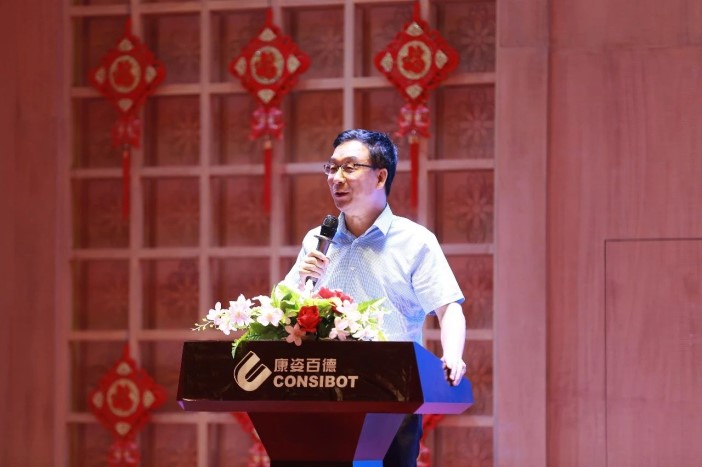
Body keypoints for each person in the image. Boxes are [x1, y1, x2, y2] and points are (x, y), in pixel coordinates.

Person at [283, 129, 467, 467]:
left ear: (380, 176)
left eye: (349, 167)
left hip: (391, 395)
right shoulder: (317, 240)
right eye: (331, 167)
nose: (336, 177)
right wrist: (300, 283)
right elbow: (285, 312)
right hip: (319, 392)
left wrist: (453, 355)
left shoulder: (415, 241)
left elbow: (448, 307)